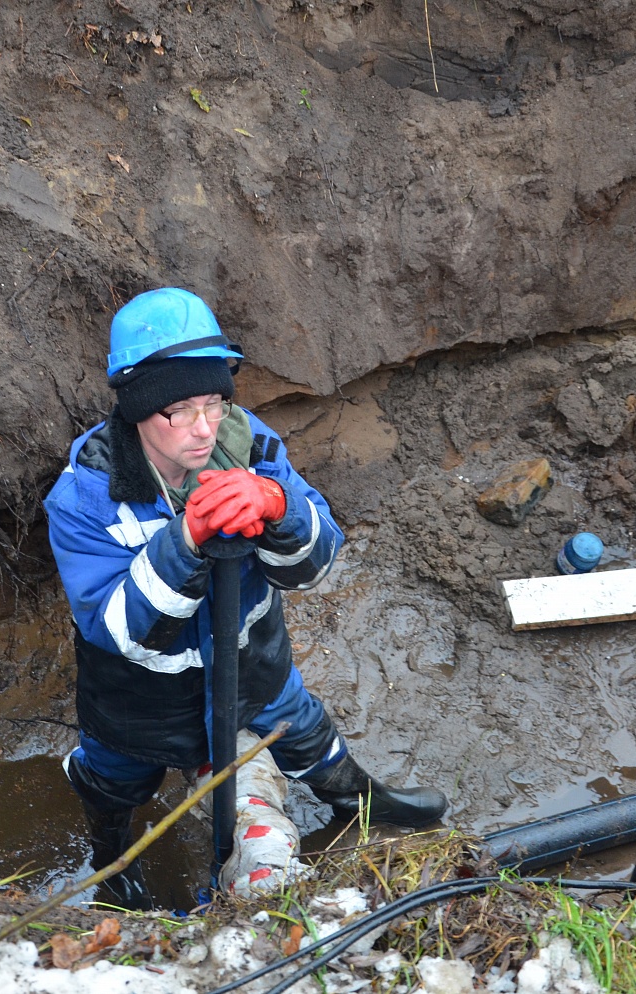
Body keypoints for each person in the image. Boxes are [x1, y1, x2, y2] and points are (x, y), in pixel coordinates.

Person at [44, 287, 448, 910]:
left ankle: (357, 798)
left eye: (214, 401)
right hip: (139, 703)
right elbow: (117, 629)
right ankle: (112, 861)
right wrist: (184, 542)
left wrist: (279, 508)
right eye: (178, 411)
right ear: (136, 408)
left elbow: (314, 563)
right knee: (115, 782)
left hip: (253, 662)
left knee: (303, 730)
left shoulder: (250, 443)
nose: (204, 429)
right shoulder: (85, 499)